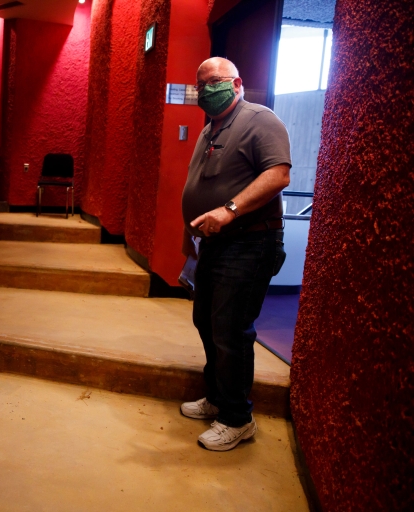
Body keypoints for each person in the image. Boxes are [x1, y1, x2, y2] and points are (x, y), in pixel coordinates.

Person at [180, 57, 291, 451]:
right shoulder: (210, 129)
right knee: (206, 322)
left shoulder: (259, 120)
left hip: (250, 242)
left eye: (215, 82)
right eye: (201, 84)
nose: (207, 89)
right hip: (213, 244)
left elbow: (278, 174)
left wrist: (229, 210)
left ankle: (238, 418)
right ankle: (219, 397)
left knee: (230, 329)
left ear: (237, 83)